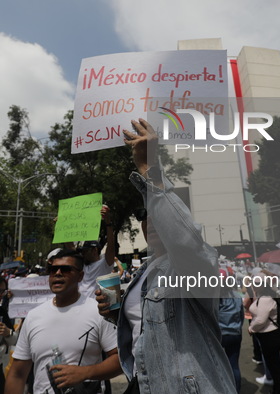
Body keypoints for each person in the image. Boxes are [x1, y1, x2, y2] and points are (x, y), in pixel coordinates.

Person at [96, 118, 236, 393]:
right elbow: (147, 330)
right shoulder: (143, 274)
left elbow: (184, 242)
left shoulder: (192, 262)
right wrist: (118, 313)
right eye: (145, 216)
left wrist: (149, 169)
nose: (153, 221)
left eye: (158, 213)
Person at [5, 250, 121, 394]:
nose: (58, 273)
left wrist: (85, 373)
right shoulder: (33, 316)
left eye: (66, 269)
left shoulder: (98, 312)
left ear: (80, 276)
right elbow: (18, 374)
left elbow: (120, 359)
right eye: (53, 269)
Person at [249, 272, 280, 394]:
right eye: (254, 283)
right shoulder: (265, 295)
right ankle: (279, 389)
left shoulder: (265, 298)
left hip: (269, 335)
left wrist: (251, 328)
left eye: (257, 283)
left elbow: (261, 319)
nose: (255, 286)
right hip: (270, 335)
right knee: (274, 366)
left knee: (274, 367)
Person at [78, 206, 116, 299]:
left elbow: (110, 247)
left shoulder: (104, 264)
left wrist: (108, 224)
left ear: (95, 250)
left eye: (85, 251)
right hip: (80, 306)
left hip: (97, 307)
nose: (83, 253)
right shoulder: (82, 265)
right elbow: (70, 247)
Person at [218, 278, 244, 393]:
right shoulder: (237, 295)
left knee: (218, 364)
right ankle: (236, 390)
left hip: (220, 335)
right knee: (234, 365)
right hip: (235, 333)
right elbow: (241, 315)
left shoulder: (215, 298)